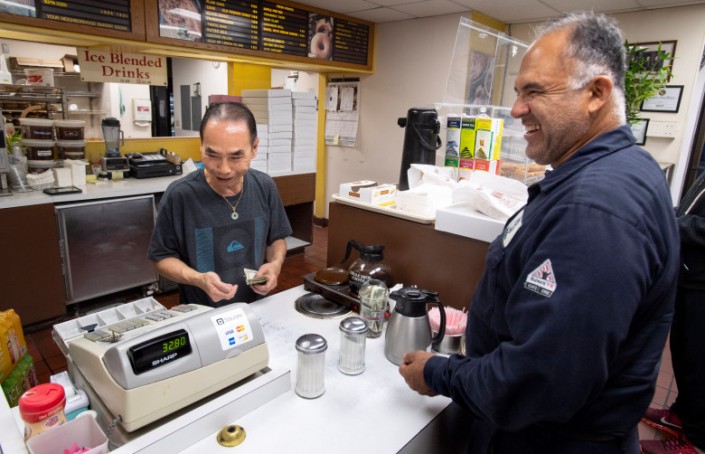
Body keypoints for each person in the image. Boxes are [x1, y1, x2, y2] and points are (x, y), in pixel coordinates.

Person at [399, 11, 680, 453]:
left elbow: (540, 379)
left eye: (534, 92)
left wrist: (438, 372)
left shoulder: (596, 209)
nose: (516, 110)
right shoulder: (620, 168)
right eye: (517, 92)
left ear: (596, 93)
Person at [148, 102, 292, 306]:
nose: (224, 169)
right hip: (202, 311)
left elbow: (276, 238)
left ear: (254, 148)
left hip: (255, 306)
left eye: (235, 156)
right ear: (201, 146)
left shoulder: (264, 186)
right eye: (212, 155)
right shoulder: (180, 195)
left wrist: (275, 265)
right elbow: (161, 258)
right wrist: (199, 279)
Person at [640, 171, 705, 454]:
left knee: (700, 362)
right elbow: (693, 206)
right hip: (690, 275)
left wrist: (674, 223)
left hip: (702, 281)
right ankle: (683, 415)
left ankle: (698, 441)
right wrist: (670, 211)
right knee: (684, 352)